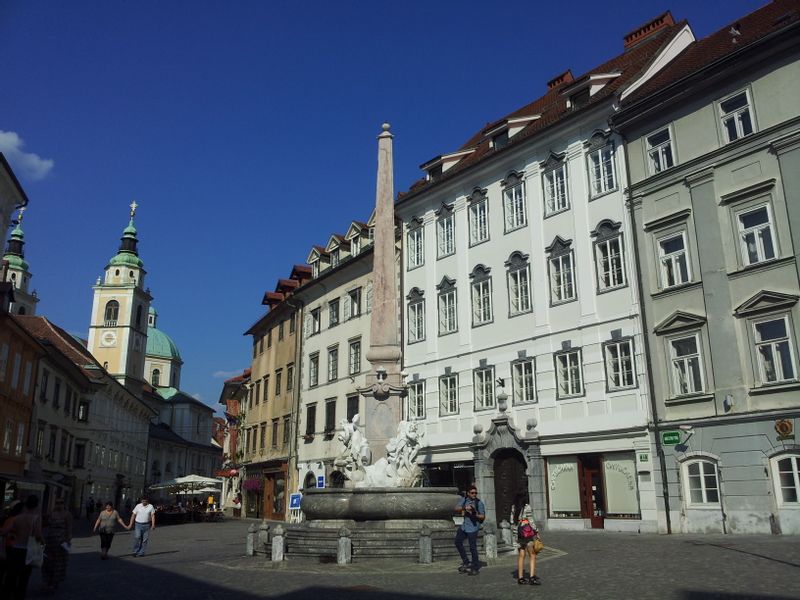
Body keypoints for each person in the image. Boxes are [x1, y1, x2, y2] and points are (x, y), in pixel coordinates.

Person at [0, 495, 44, 600]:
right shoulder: (36, 518)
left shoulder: (17, 518)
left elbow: (4, 532)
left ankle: (6, 595)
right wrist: (42, 541)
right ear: (36, 505)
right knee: (24, 577)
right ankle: (19, 596)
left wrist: (12, 535)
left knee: (12, 575)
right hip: (28, 550)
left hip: (16, 549)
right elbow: (38, 535)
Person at [42, 498, 73, 590]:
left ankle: (54, 581)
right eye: (57, 503)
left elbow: (69, 528)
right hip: (50, 540)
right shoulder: (52, 513)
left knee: (58, 562)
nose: (59, 504)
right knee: (48, 561)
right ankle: (48, 580)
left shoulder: (67, 514)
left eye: (61, 503)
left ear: (64, 504)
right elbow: (45, 524)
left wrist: (68, 541)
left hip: (61, 541)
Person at [454, 485, 485, 576]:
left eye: (475, 493)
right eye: (472, 493)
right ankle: (466, 561)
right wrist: (464, 508)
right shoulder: (464, 500)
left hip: (473, 528)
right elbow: (456, 508)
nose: (474, 494)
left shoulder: (479, 503)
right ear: (468, 493)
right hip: (464, 527)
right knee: (457, 542)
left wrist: (475, 513)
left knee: (472, 547)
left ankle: (475, 567)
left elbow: (483, 516)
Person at [516, 517, 542, 585]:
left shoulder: (514, 506)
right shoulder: (526, 506)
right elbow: (530, 520)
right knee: (532, 555)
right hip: (527, 532)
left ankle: (520, 578)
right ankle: (532, 578)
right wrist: (536, 532)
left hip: (518, 532)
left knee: (521, 555)